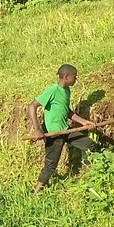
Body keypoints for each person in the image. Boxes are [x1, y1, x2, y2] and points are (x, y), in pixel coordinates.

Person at [27, 64, 95, 194]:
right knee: (50, 165)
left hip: (65, 130)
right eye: (75, 77)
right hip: (54, 134)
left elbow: (67, 111)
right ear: (66, 77)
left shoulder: (67, 90)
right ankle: (36, 193)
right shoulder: (53, 90)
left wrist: (84, 122)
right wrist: (37, 129)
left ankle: (88, 175)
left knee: (89, 144)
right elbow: (32, 106)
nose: (76, 79)